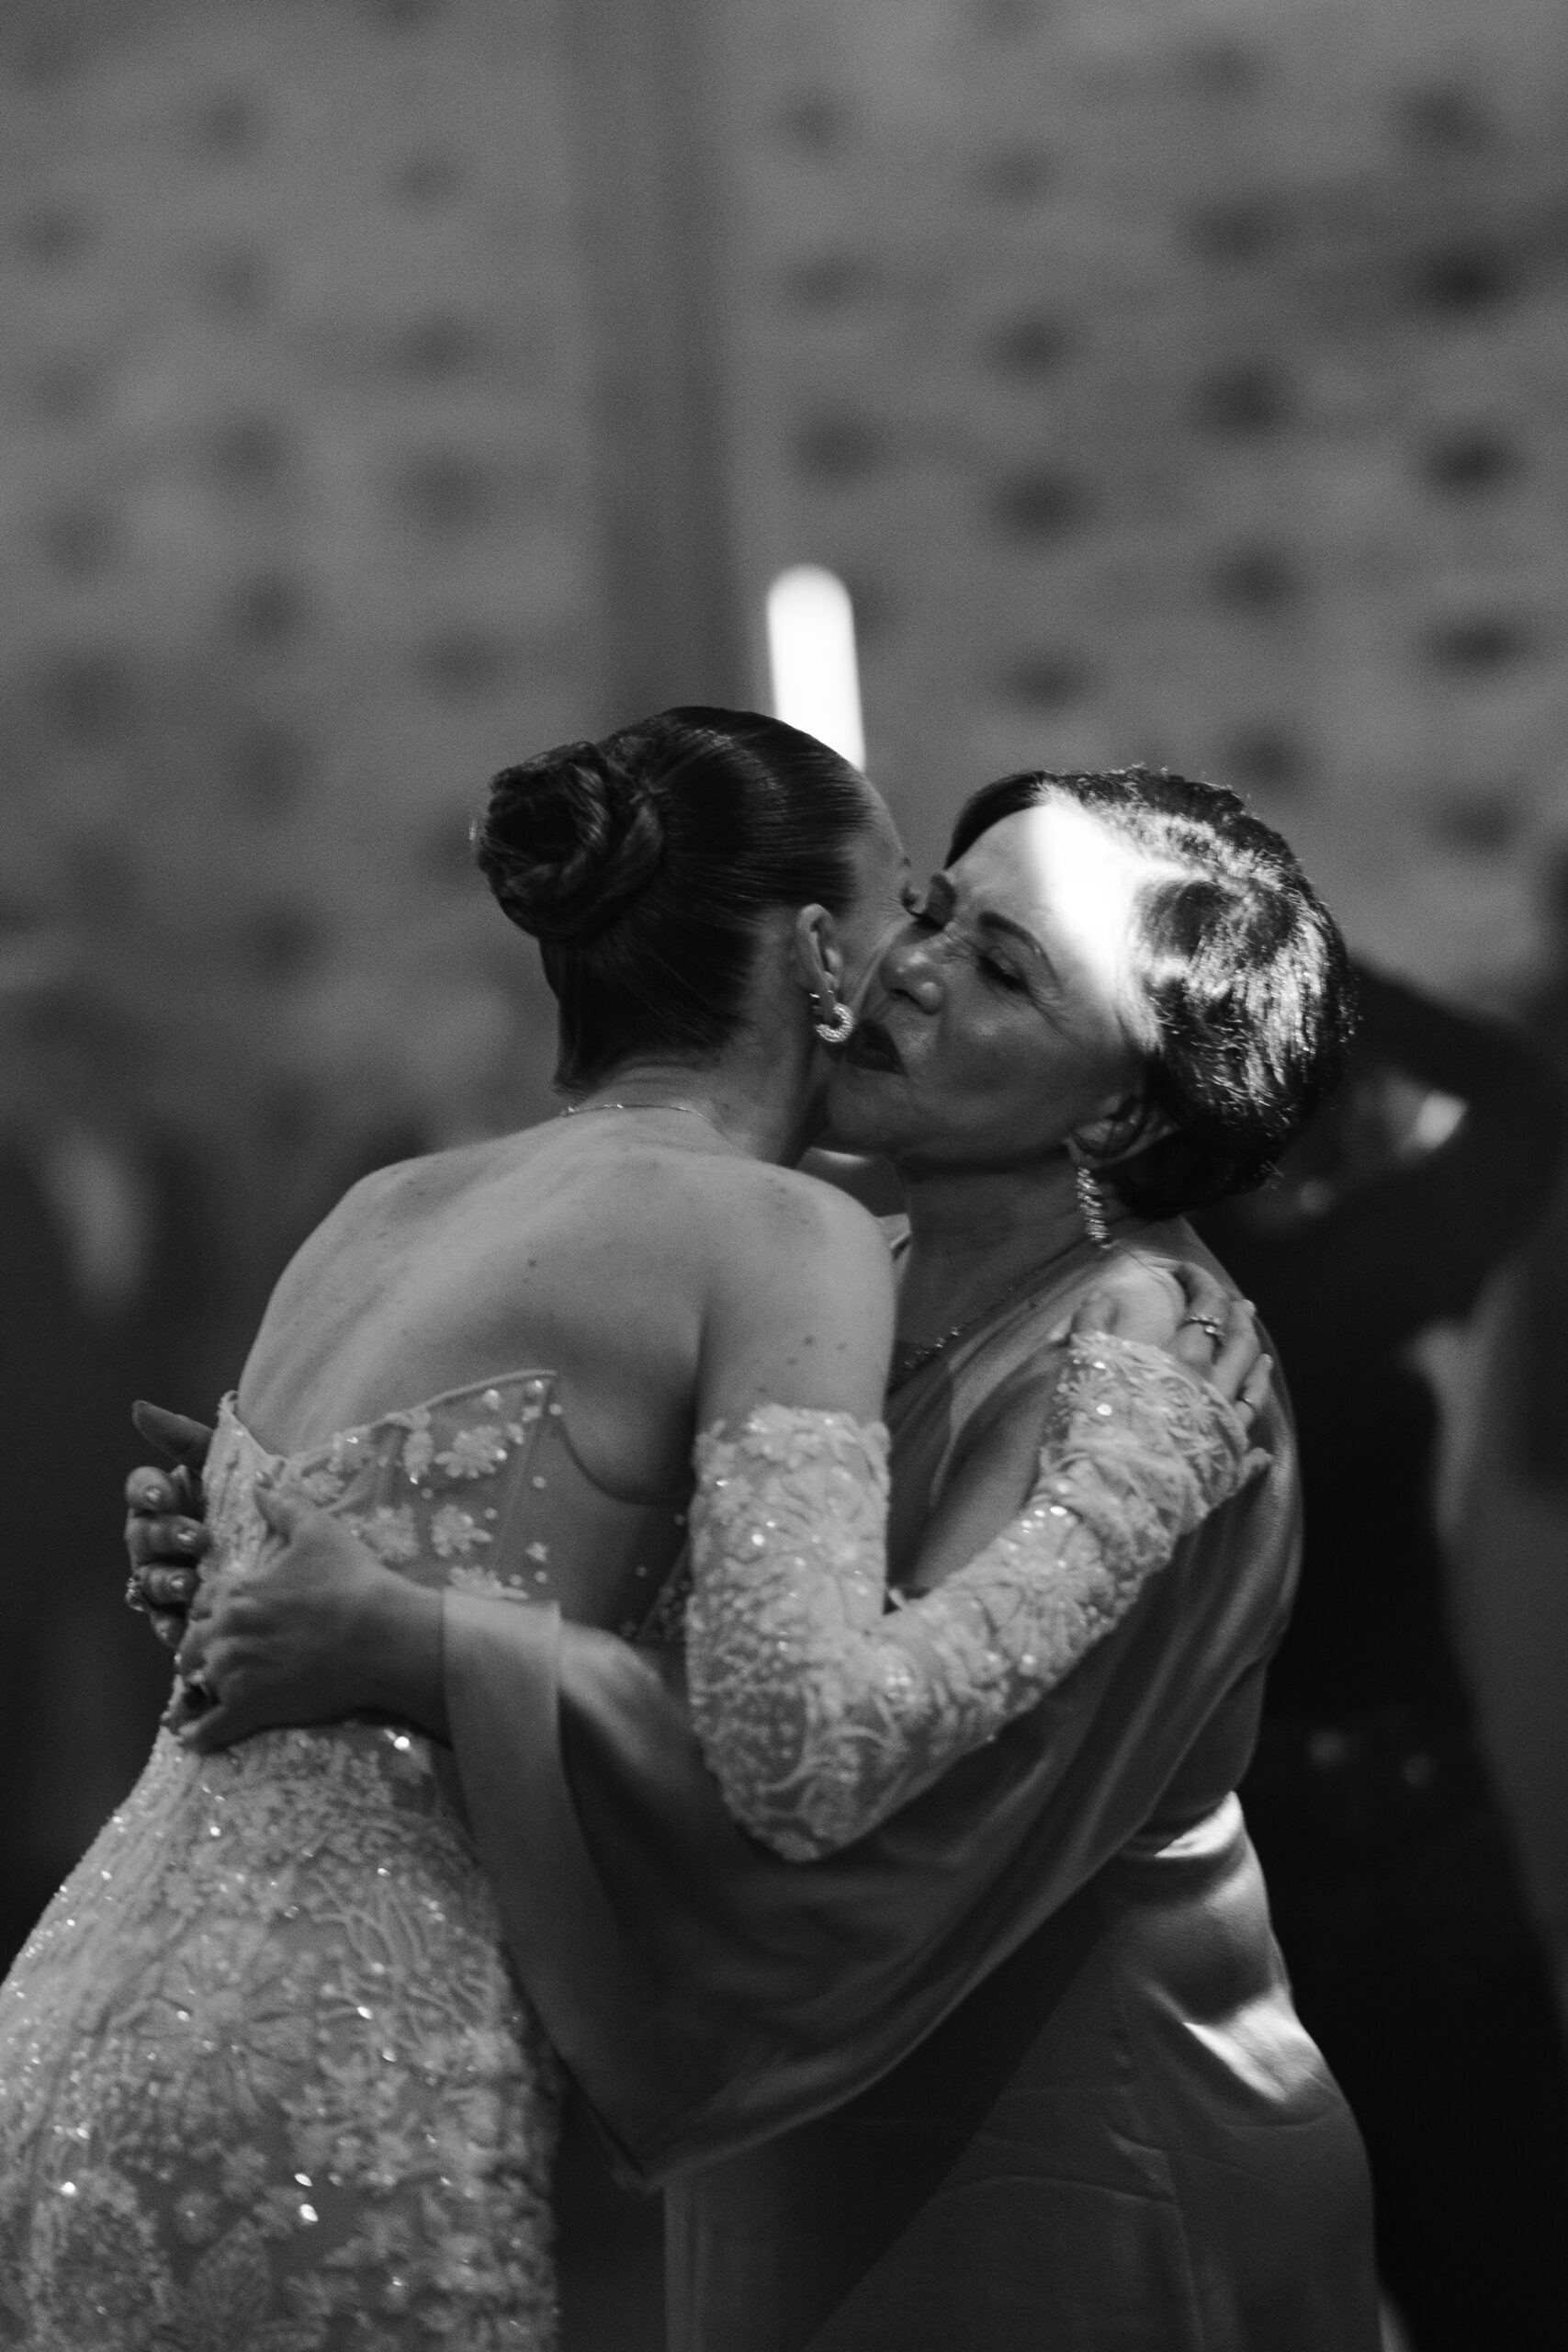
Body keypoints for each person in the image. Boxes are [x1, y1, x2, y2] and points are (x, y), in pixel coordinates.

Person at [0, 718, 1268, 2352]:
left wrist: (221, 1555)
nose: (920, 968)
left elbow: (297, 1614)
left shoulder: (378, 1206)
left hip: (73, 2019)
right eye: (912, 909)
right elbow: (803, 1745)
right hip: (335, 2060)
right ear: (818, 955)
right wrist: (1115, 1502)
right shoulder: (784, 1232)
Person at [1201, 967, 1568, 2352]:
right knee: (1500, 2274)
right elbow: (1522, 1094)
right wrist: (1299, 946)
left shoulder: (1157, 1281)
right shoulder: (1319, 1281)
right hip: (1374, 1835)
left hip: (1228, 1848)